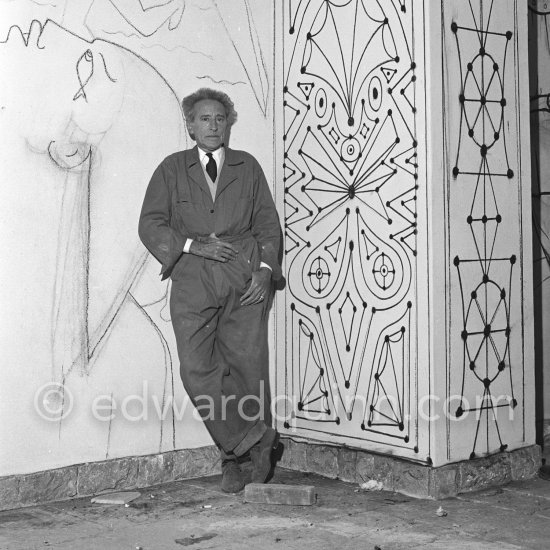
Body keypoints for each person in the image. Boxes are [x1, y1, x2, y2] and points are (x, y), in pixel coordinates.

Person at [138, 88, 282, 493]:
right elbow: (151, 223)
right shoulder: (171, 168)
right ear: (190, 125)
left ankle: (235, 462)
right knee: (197, 369)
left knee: (246, 367)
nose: (213, 126)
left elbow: (268, 226)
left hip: (243, 273)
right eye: (204, 119)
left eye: (220, 119)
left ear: (228, 124)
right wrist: (189, 244)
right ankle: (252, 439)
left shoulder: (248, 167)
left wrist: (265, 271)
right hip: (193, 275)